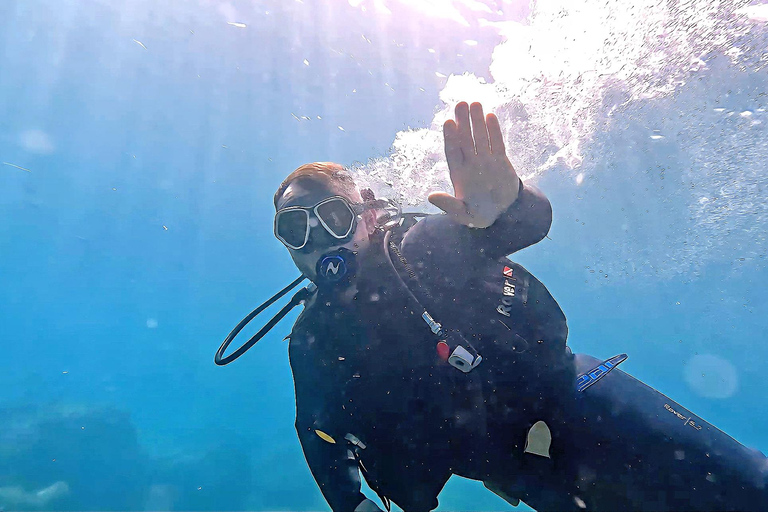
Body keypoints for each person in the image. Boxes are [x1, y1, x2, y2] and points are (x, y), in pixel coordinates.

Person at [233, 102, 768, 511]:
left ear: (370, 215)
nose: (320, 241)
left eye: (332, 218)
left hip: (587, 404)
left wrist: (508, 202)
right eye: (296, 230)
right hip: (527, 474)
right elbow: (318, 436)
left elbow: (522, 224)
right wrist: (354, 505)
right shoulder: (313, 344)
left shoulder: (424, 249)